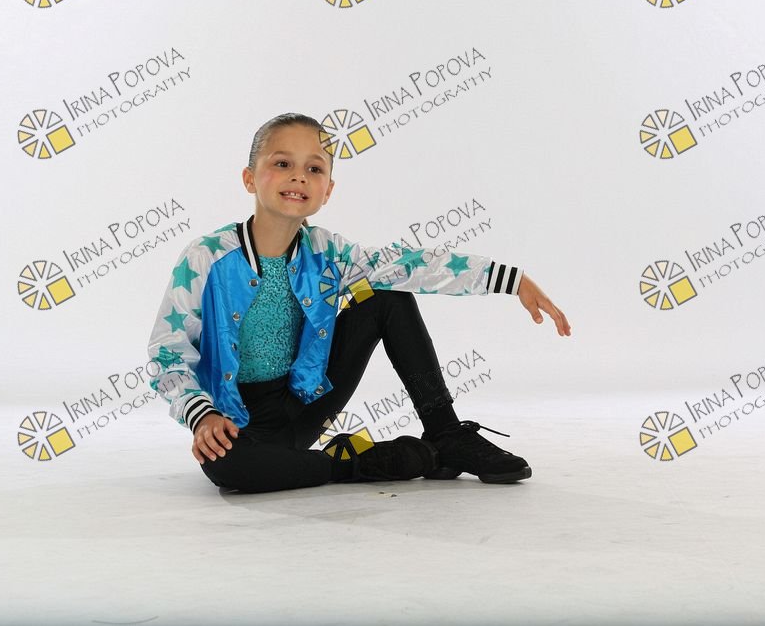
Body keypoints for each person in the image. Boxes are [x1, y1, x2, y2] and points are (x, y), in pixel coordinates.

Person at [146, 113, 571, 494]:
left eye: (314, 168)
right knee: (228, 469)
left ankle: (445, 434)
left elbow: (409, 266)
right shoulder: (207, 257)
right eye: (282, 164)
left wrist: (510, 279)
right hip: (238, 424)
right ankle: (360, 462)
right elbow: (167, 352)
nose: (299, 178)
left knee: (386, 292)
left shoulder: (326, 252)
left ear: (328, 190)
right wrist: (201, 415)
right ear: (249, 178)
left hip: (304, 403)